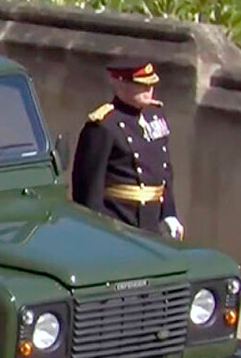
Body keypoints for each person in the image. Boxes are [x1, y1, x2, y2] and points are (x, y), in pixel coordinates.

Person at [71, 60, 184, 238]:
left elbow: (165, 172)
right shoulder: (104, 125)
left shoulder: (154, 116)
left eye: (151, 84)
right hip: (119, 223)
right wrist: (101, 231)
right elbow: (88, 192)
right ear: (119, 84)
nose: (149, 90)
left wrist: (169, 213)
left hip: (152, 223)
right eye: (141, 85)